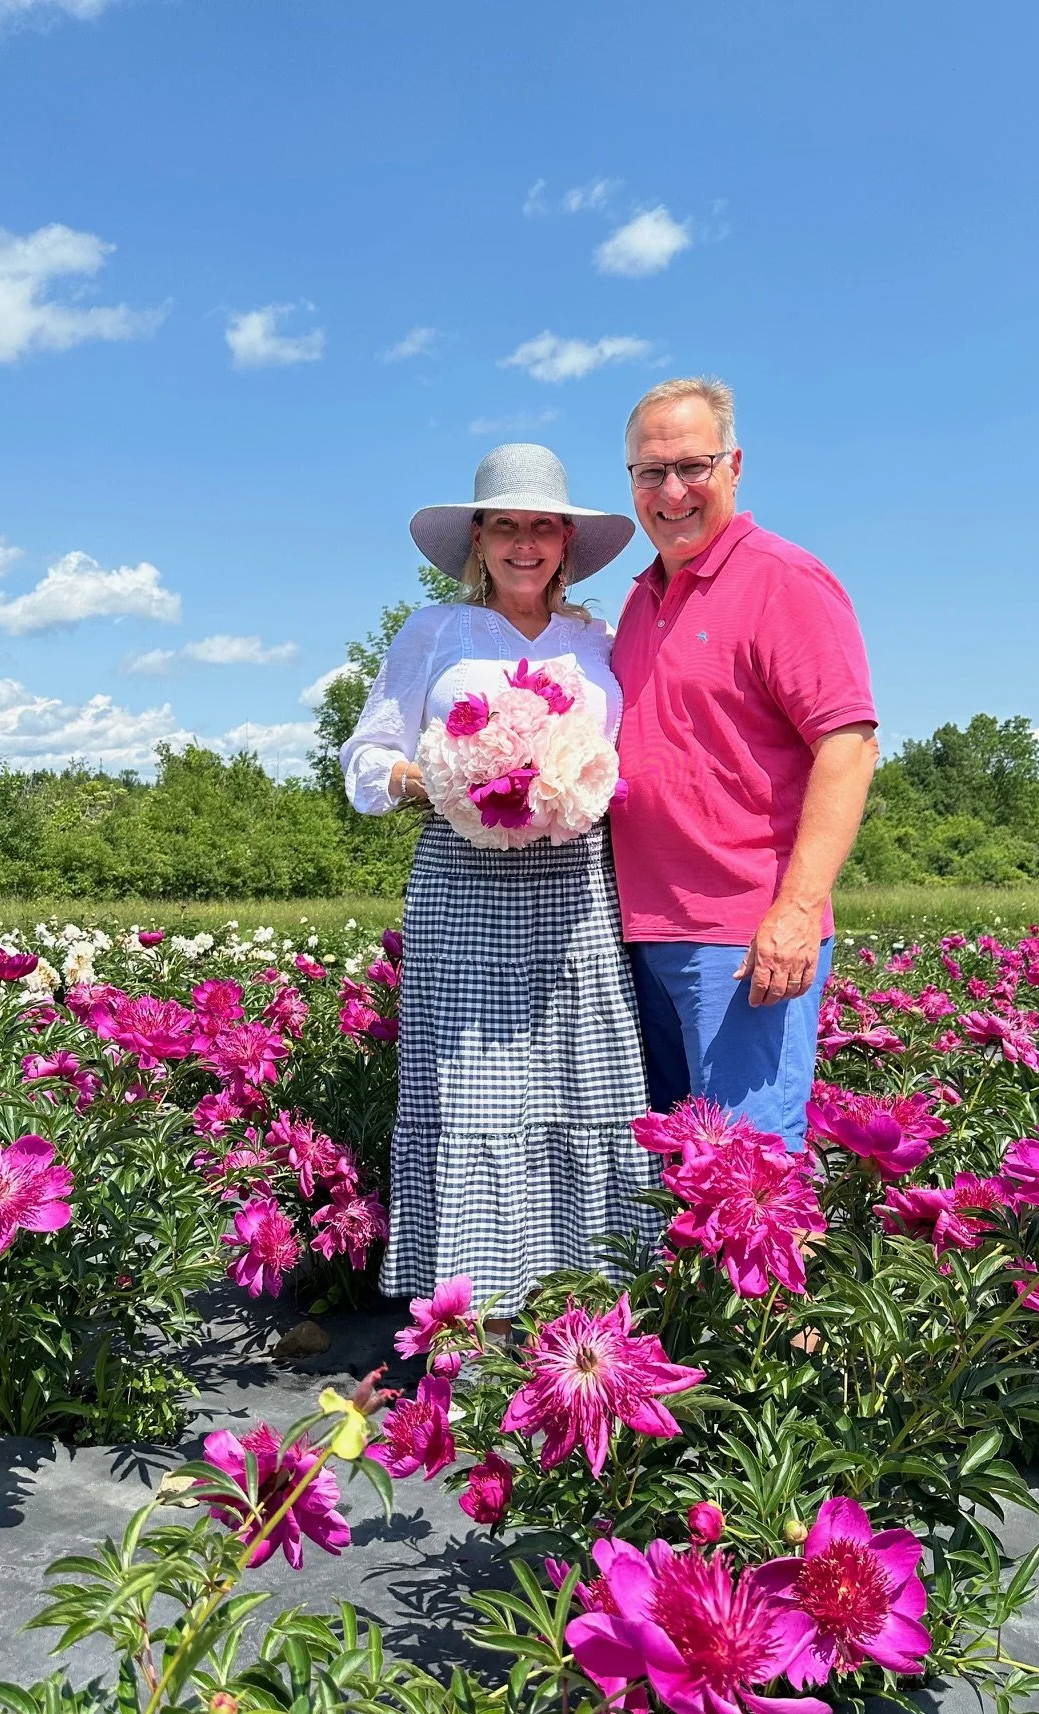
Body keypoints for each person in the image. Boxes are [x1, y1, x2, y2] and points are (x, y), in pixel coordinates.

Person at [339, 443, 661, 1324]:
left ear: (565, 542)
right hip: (462, 877)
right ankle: (471, 1316)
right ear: (477, 539)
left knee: (583, 1076)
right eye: (506, 525)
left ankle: (589, 1307)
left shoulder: (597, 641)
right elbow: (363, 762)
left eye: (543, 527)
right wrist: (439, 776)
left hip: (573, 882)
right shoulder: (433, 634)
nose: (526, 543)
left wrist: (567, 773)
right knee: (471, 1086)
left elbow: (632, 754)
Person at [610, 378, 879, 1149]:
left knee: (745, 1167)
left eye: (692, 466)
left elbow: (849, 744)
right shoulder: (642, 599)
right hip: (642, 929)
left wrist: (796, 913)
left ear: (734, 466)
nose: (671, 491)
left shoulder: (781, 578)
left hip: (740, 933)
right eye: (649, 472)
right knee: (674, 1169)